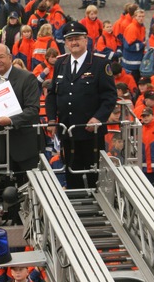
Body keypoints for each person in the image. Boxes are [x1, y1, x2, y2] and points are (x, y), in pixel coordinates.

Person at [46, 22, 117, 189]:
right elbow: (52, 94)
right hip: (67, 131)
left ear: (86, 40)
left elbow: (109, 96)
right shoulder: (60, 63)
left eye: (77, 38)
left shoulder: (100, 64)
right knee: (71, 175)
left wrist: (98, 118)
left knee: (94, 175)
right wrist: (51, 120)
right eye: (69, 40)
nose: (73, 43)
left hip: (90, 132)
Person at [0, 43, 41, 180]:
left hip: (23, 146)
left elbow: (33, 109)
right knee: (3, 191)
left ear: (10, 57)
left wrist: (11, 120)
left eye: (1, 57)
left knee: (26, 188)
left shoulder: (27, 78)